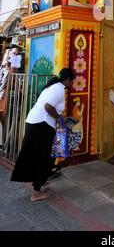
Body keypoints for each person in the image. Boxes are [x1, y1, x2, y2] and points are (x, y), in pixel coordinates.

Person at [11, 68, 75, 202]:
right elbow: (48, 107)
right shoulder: (58, 89)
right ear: (67, 79)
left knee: (35, 154)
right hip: (42, 125)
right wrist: (59, 118)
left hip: (35, 121)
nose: (72, 84)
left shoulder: (51, 86)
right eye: (72, 81)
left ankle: (39, 180)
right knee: (44, 156)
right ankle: (36, 192)